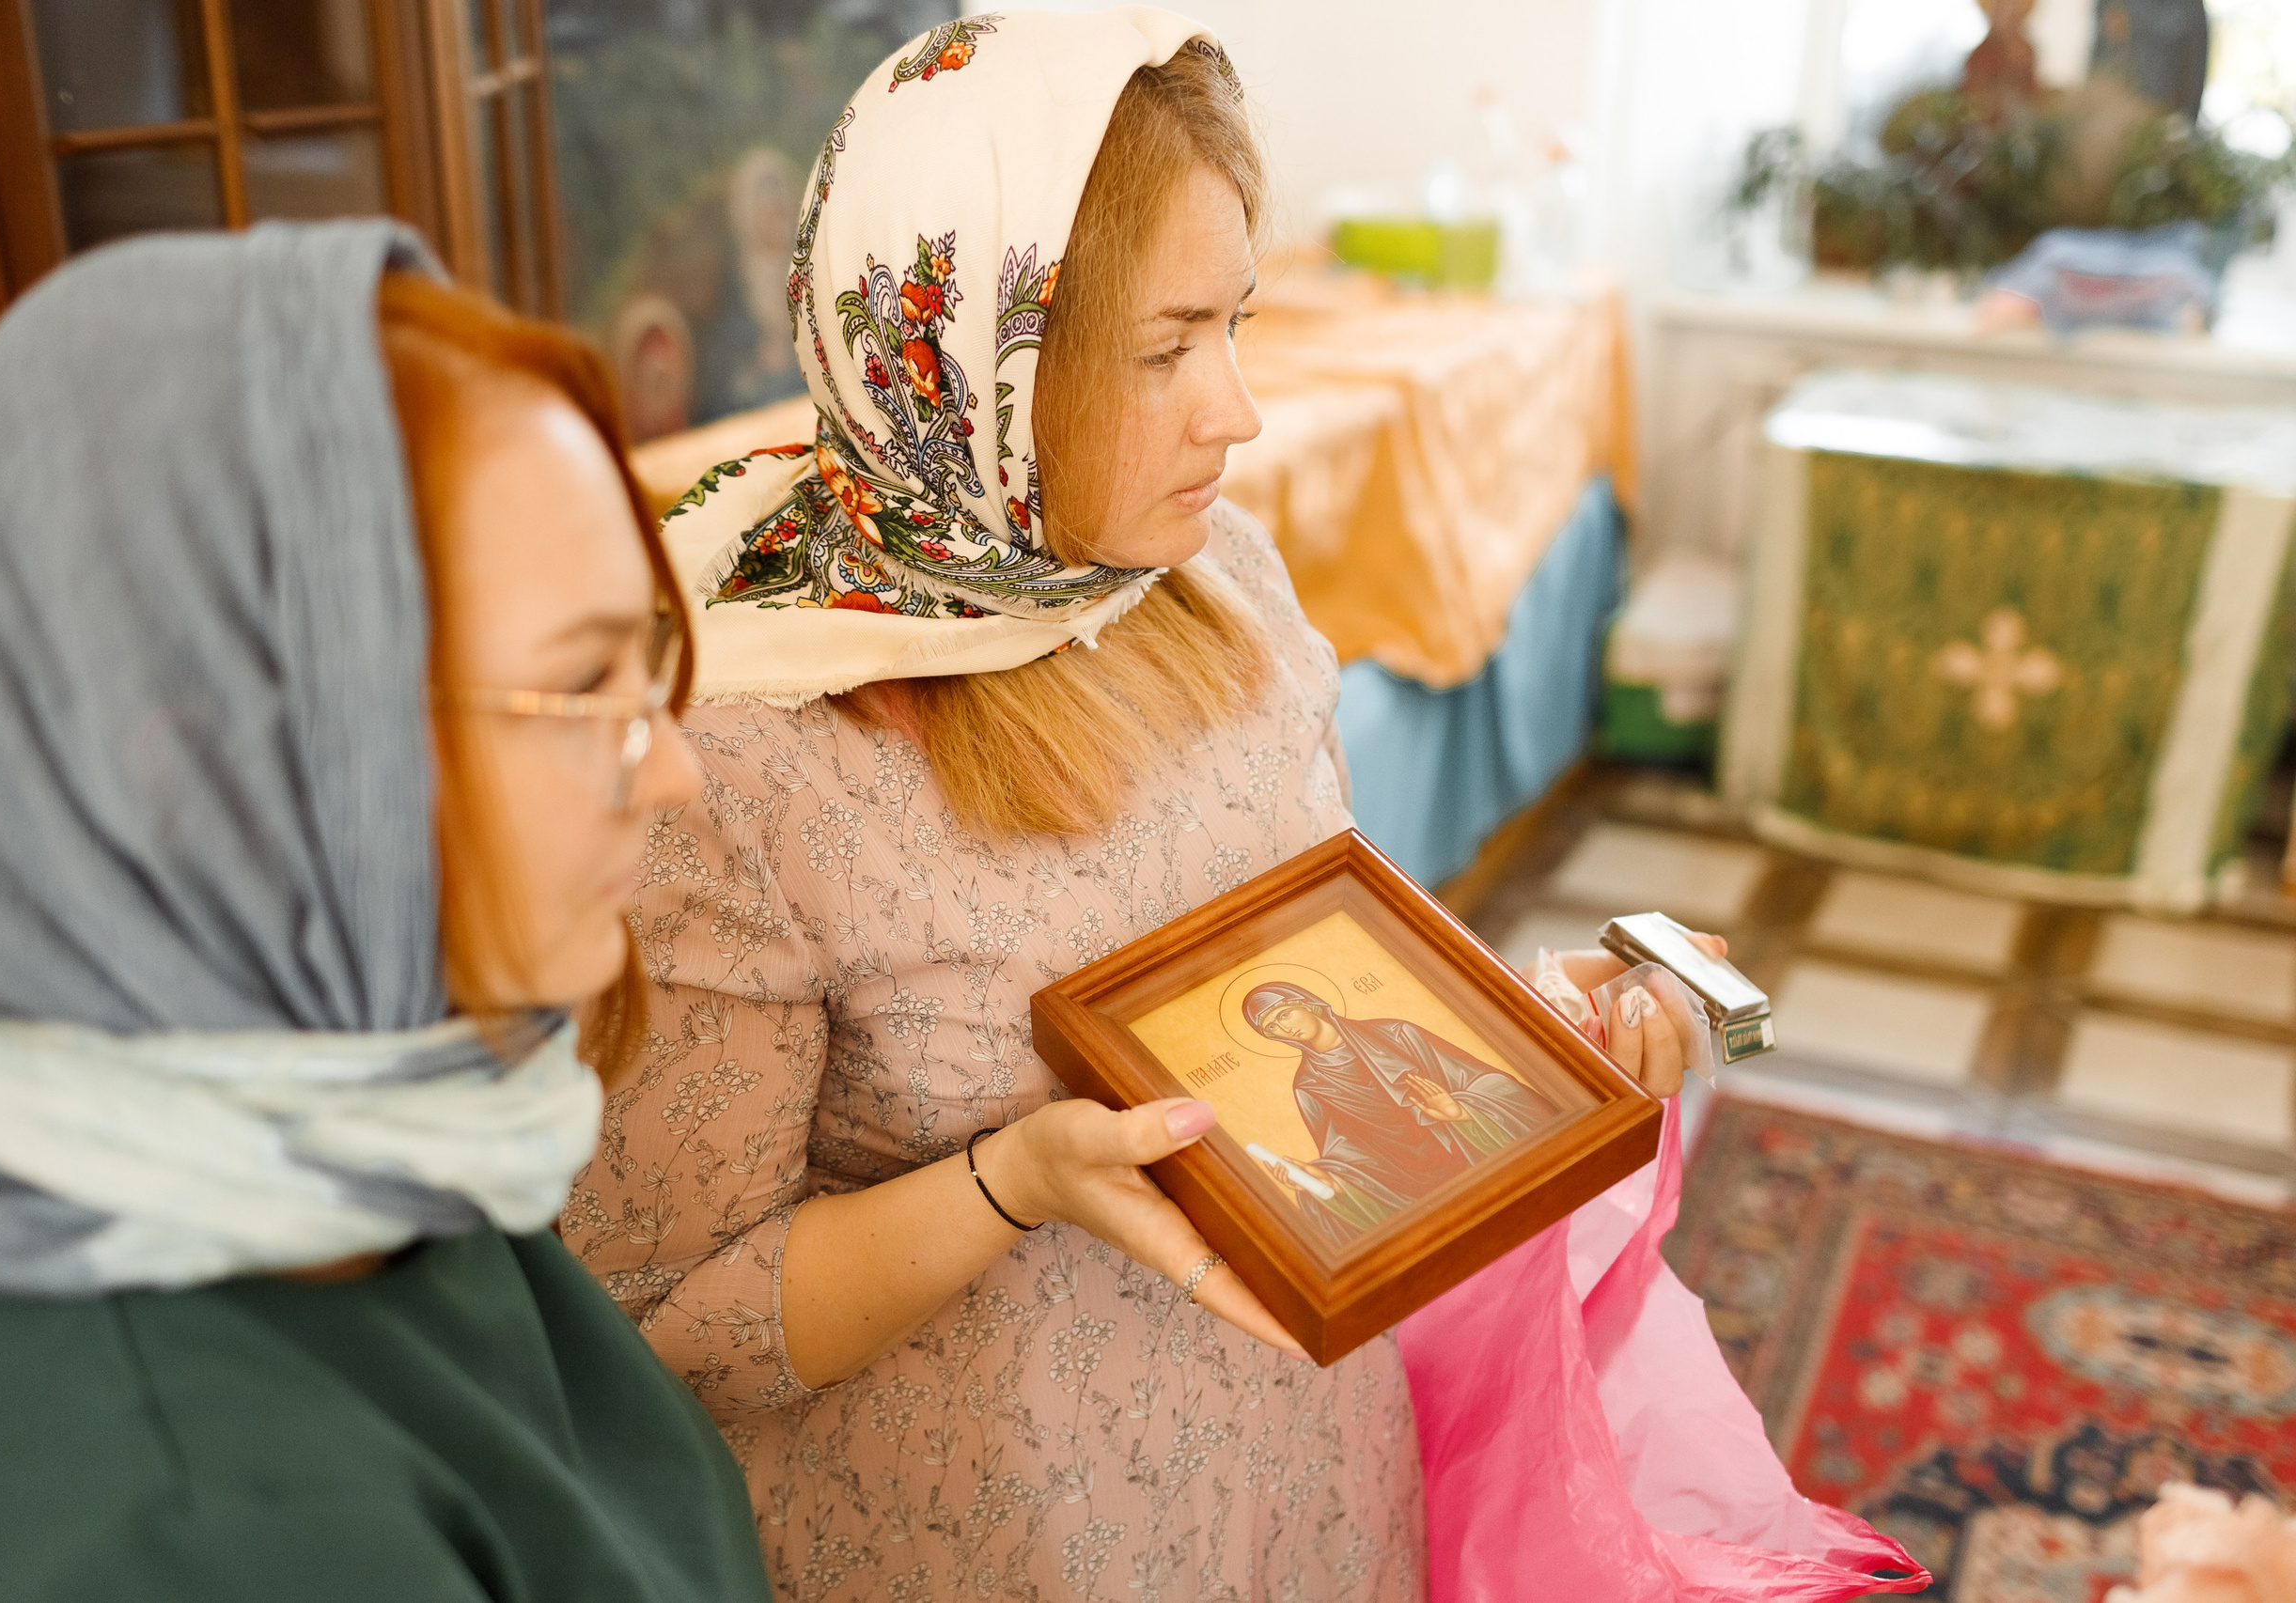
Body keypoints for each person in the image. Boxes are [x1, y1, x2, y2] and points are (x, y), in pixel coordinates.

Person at [567, 12, 1700, 1599]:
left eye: (1239, 322)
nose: (1235, 409)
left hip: (1306, 1463)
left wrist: (1506, 1037)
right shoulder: (743, 759)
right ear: (966, 366)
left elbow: (1291, 964)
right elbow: (666, 1323)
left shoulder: (1216, 578)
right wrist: (1010, 1184)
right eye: (1167, 350)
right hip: (1008, 1532)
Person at [0, 221, 767, 1600]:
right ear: (211, 767)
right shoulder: (189, 1528)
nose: (673, 763)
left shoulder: (353, 1100)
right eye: (578, 684)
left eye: (645, 664)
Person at [1239, 981, 1559, 1244]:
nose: (1284, 1029)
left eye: (1285, 1014)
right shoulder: (1308, 1086)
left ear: (1307, 1004)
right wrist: (1331, 1181)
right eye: (1272, 1028)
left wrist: (1462, 1112)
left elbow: (1492, 1083)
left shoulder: (1397, 1034)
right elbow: (1344, 1149)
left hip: (1472, 1157)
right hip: (1406, 1193)